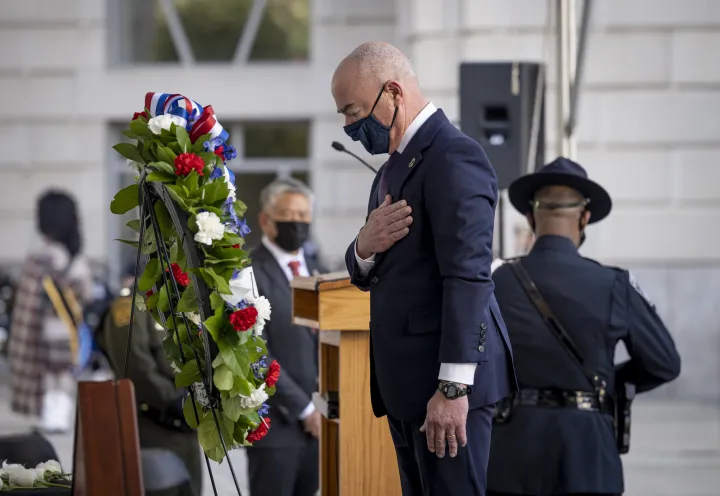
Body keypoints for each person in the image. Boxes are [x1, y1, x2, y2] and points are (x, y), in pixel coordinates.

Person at [332, 41, 517, 496]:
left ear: (393, 92)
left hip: (444, 389)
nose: (351, 127)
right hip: (406, 389)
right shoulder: (389, 171)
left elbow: (469, 276)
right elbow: (366, 271)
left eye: (354, 112)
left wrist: (453, 389)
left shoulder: (454, 156)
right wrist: (363, 245)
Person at [486, 157, 682, 496]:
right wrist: (605, 381)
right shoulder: (614, 284)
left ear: (531, 219)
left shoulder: (497, 280)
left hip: (511, 454)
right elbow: (664, 363)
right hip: (588, 455)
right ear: (585, 218)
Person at [246, 178, 325, 496]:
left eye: (304, 216)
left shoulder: (319, 269)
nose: (297, 223)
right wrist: (305, 409)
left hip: (321, 424)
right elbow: (252, 350)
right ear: (266, 220)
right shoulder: (247, 272)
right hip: (276, 426)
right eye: (288, 215)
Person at [96, 269, 202, 496]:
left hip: (186, 429)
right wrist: (173, 399)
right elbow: (135, 366)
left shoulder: (181, 304)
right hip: (152, 426)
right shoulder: (131, 306)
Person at [8, 190, 93, 433]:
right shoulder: (78, 261)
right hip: (68, 336)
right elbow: (85, 296)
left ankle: (50, 412)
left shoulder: (39, 260)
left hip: (42, 340)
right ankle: (59, 410)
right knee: (61, 377)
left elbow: (27, 309)